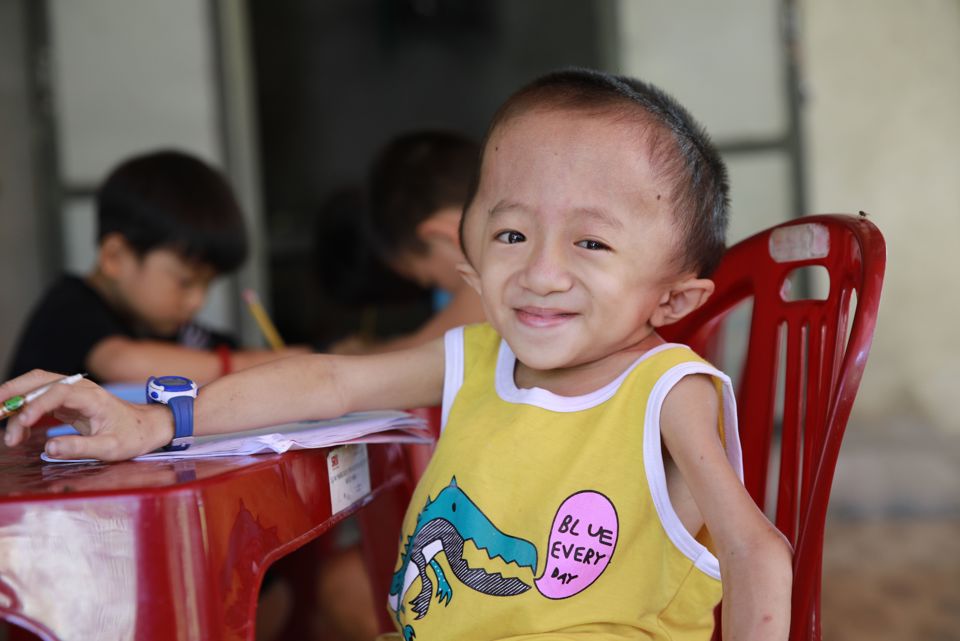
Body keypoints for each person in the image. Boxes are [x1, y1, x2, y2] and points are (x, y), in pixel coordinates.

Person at [2, 69, 792, 640]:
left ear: (674, 300)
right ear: (470, 253)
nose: (542, 270)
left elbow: (760, 551)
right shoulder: (478, 355)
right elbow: (329, 380)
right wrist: (152, 422)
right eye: (513, 233)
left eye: (590, 241)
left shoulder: (667, 389)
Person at [6, 149, 303, 385]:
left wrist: (288, 360)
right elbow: (124, 364)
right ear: (115, 257)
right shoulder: (70, 306)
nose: (197, 301)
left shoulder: (165, 324)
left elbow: (225, 349)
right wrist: (242, 366)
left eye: (207, 285)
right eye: (186, 282)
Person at [330, 130, 485, 354]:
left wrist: (360, 354)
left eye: (431, 280)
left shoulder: (493, 279)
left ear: (443, 235)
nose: (444, 292)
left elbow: (429, 353)